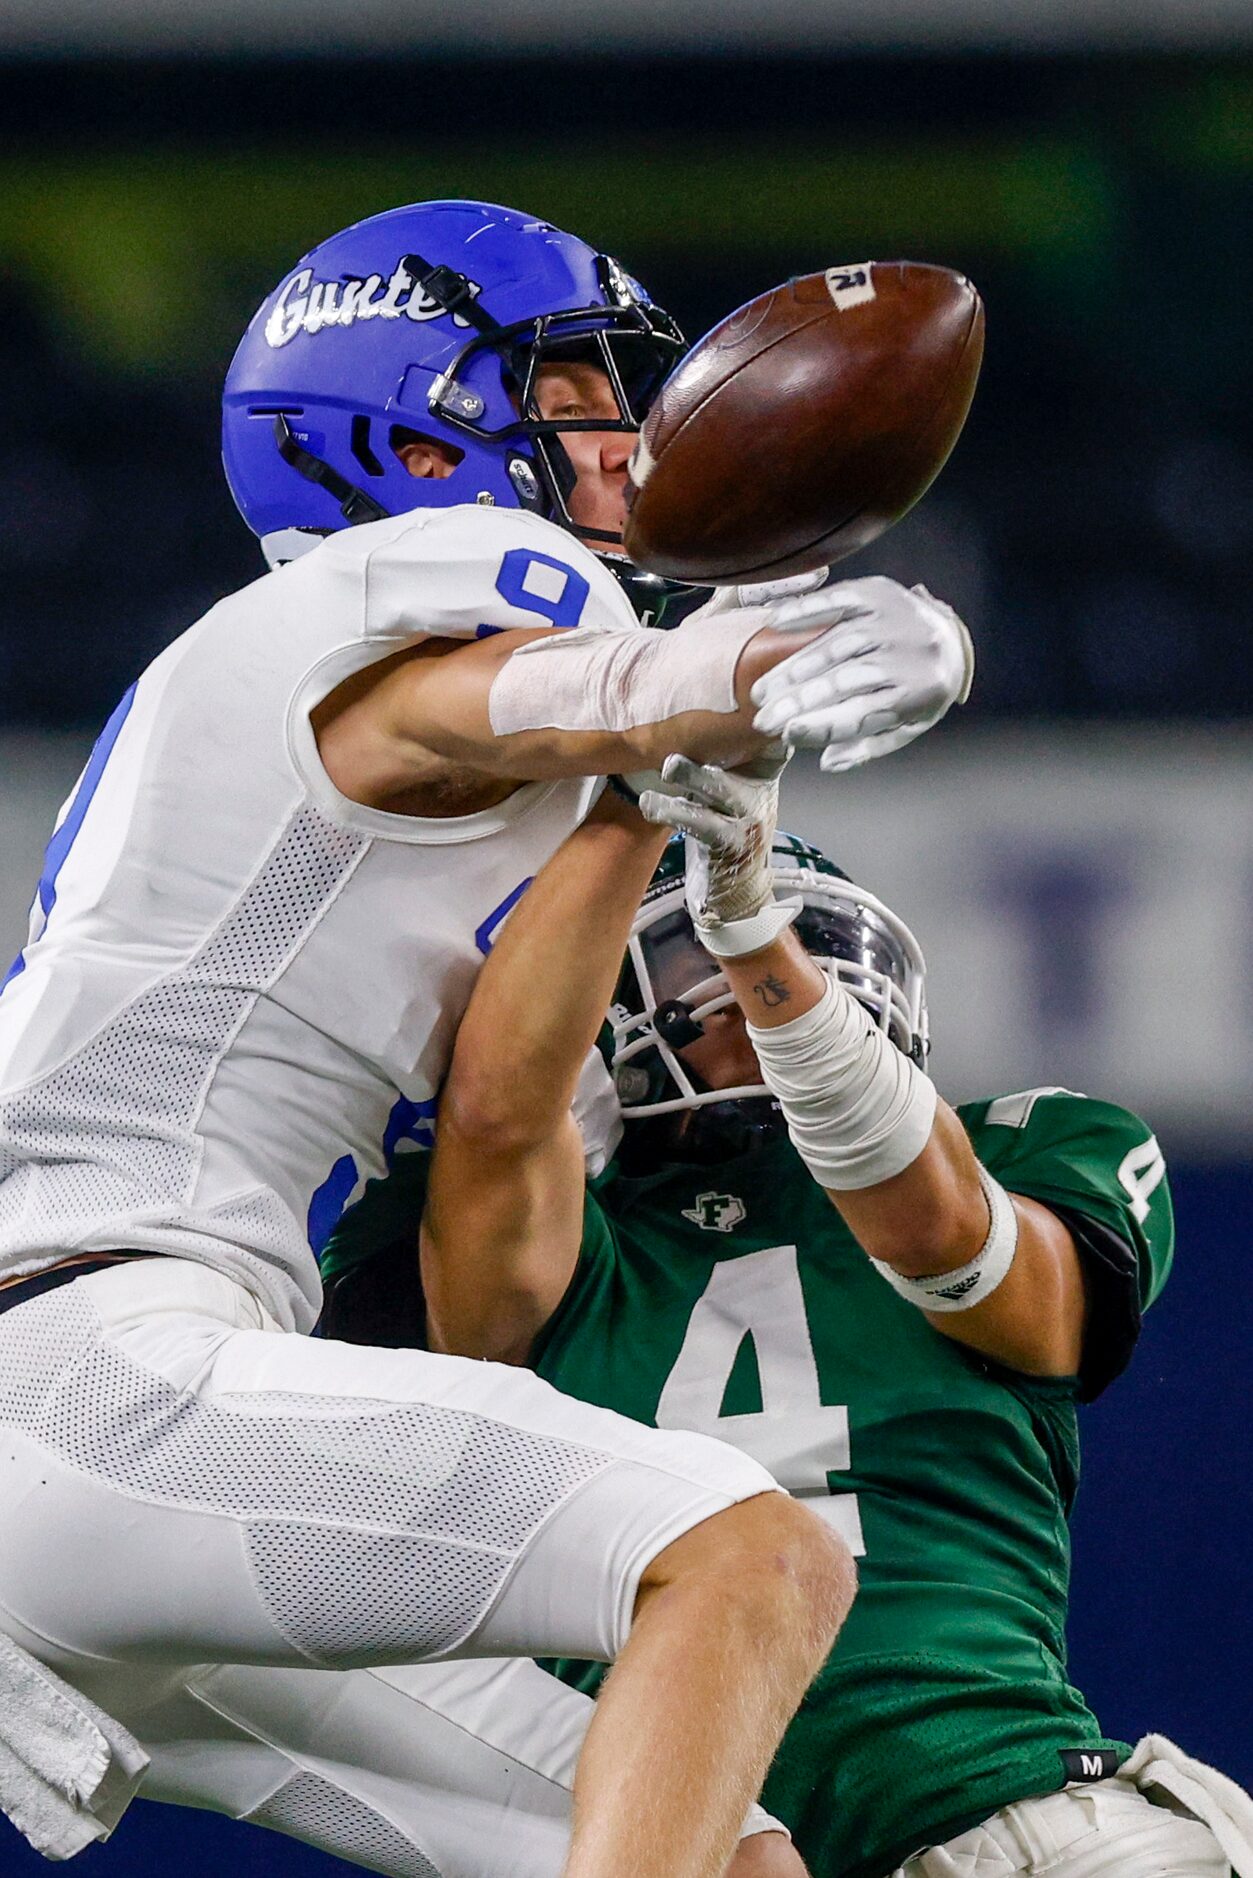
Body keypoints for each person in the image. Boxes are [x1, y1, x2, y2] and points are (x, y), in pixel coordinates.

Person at [0, 190, 1007, 1875]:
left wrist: (687, 787)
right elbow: (514, 696)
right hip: (88, 1366)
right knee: (746, 1556)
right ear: (403, 428)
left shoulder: (326, 709)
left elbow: (498, 1109)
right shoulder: (445, 579)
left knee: (722, 1848)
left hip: (124, 1407)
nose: (634, 438)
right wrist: (781, 653)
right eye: (572, 394)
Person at [320, 759, 1253, 1878]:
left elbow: (952, 1249)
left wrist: (755, 939)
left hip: (1029, 1828)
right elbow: (495, 1123)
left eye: (815, 954)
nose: (769, 987)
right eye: (697, 963)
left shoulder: (1021, 1148)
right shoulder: (557, 1244)